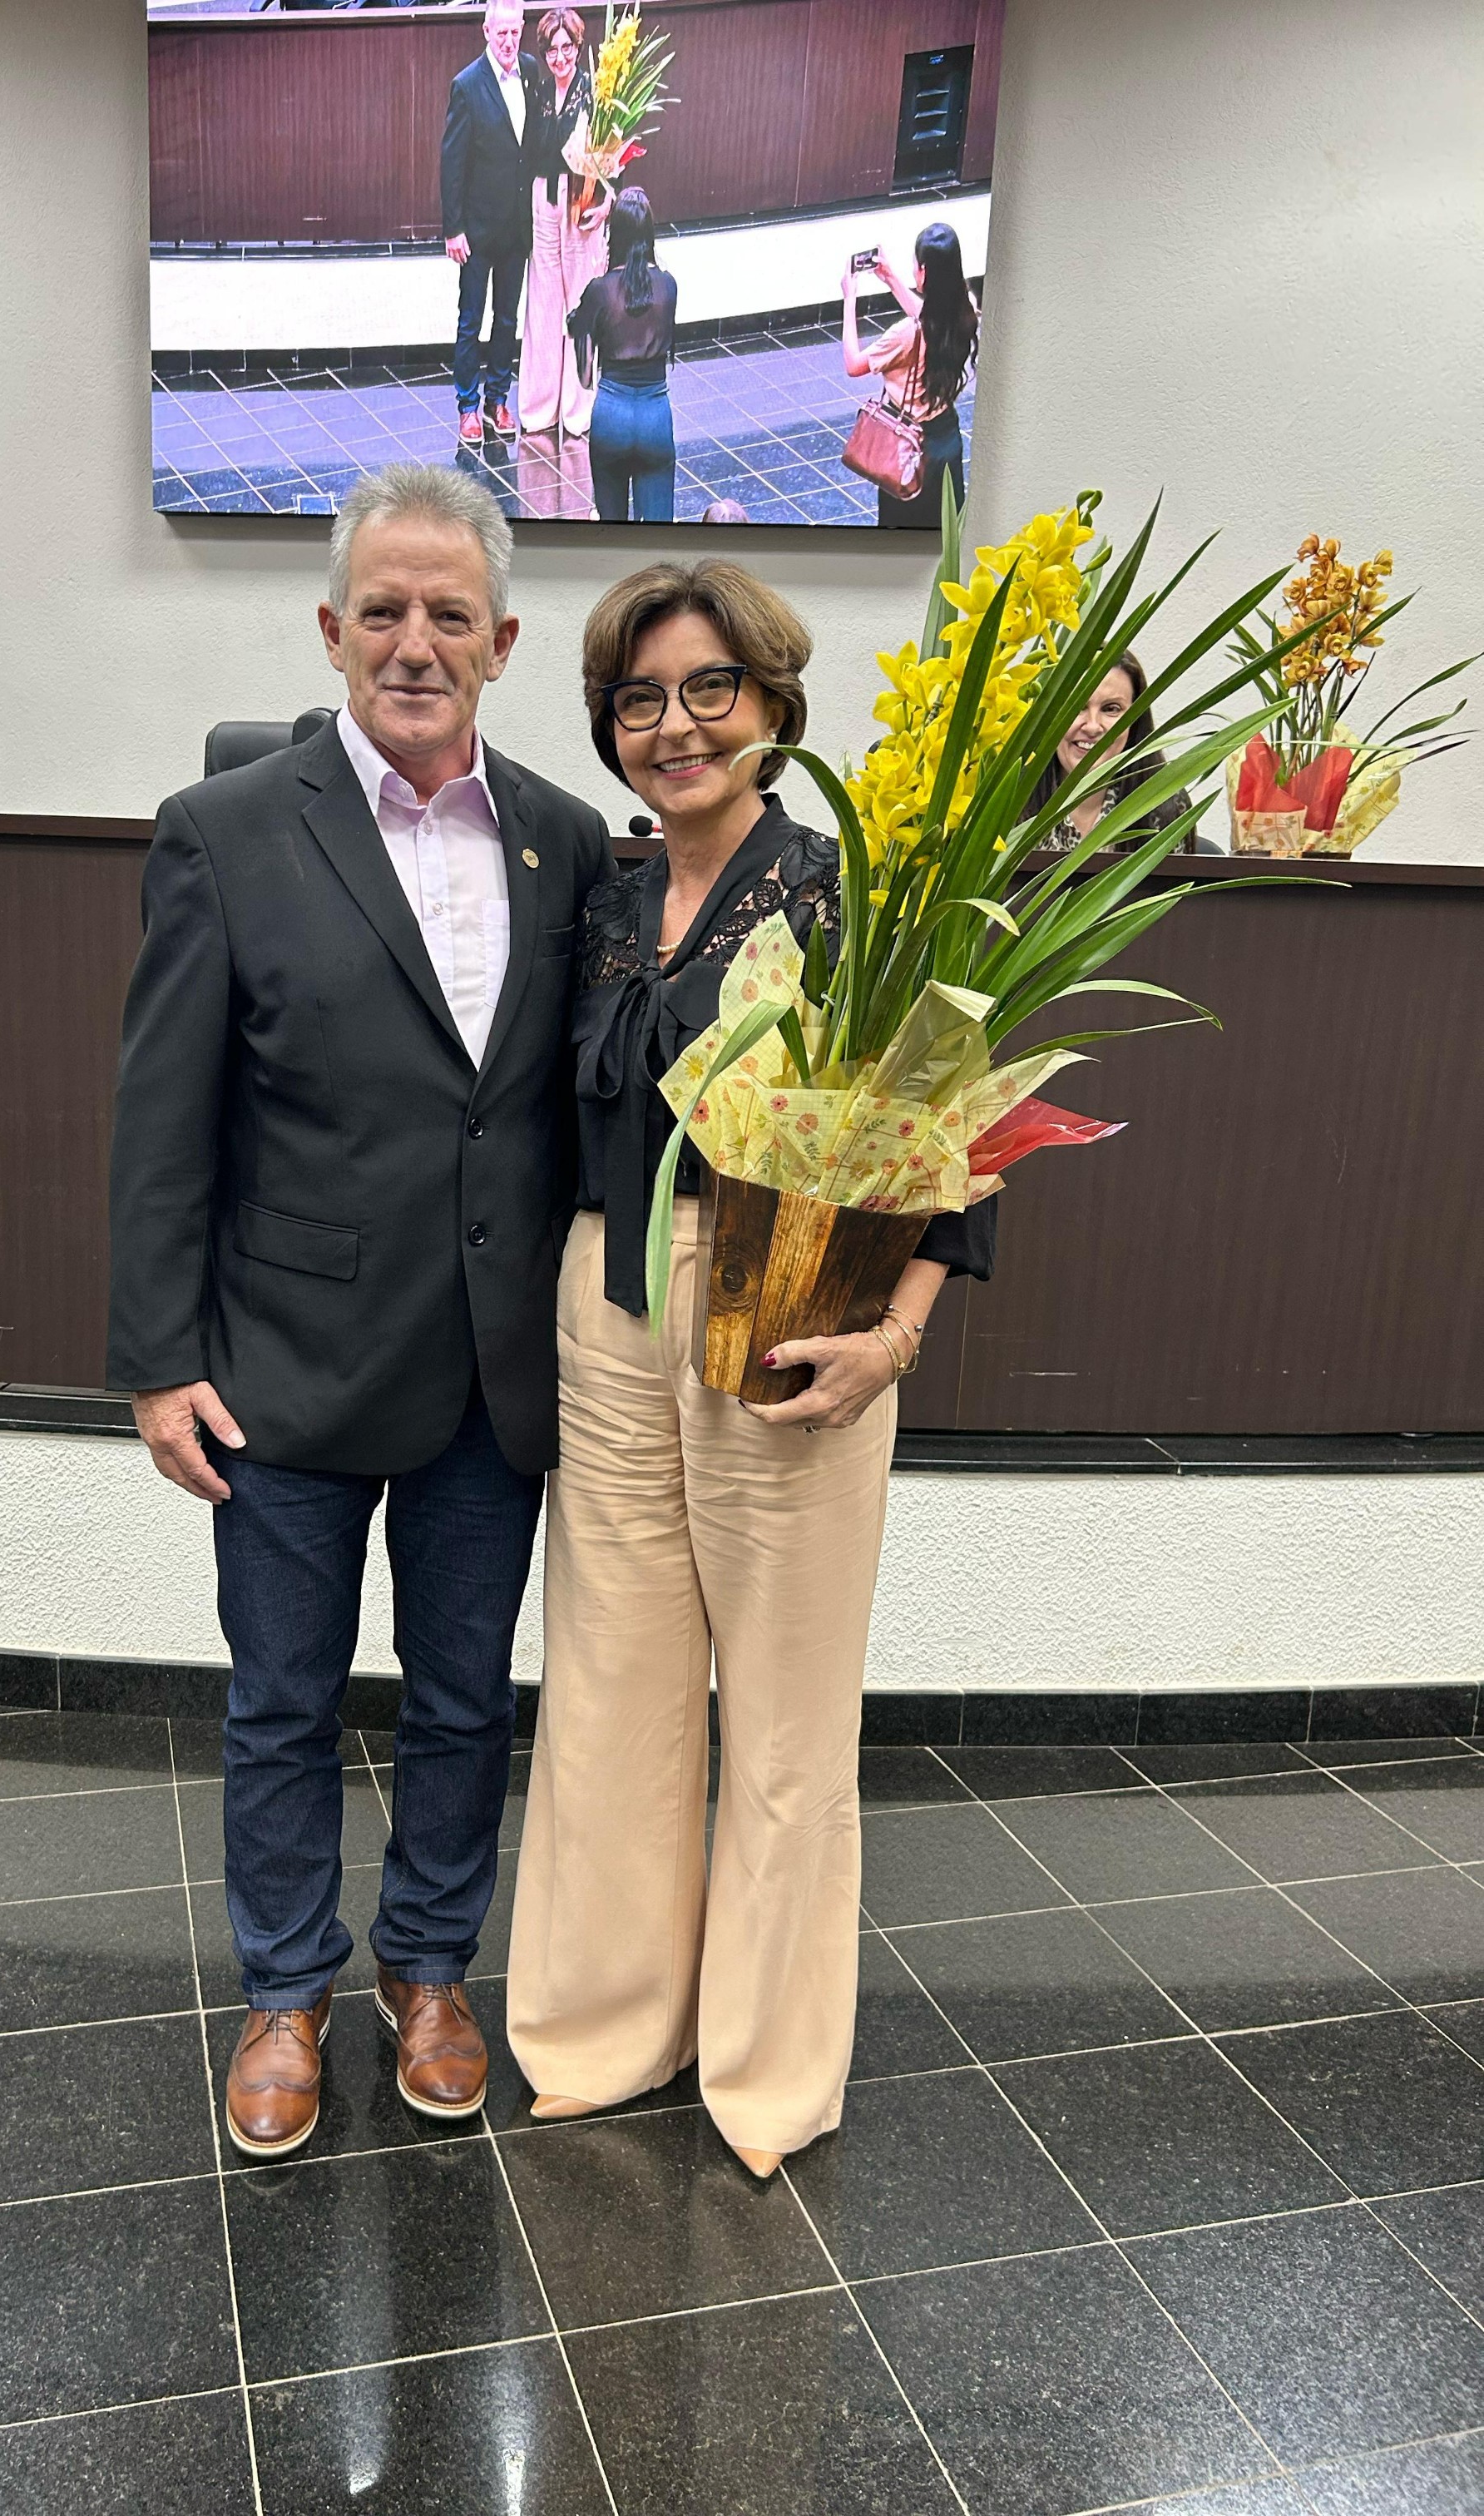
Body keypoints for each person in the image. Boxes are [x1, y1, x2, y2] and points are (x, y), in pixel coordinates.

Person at [107, 465, 611, 2160]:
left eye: (447, 614)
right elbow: (162, 1118)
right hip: (285, 1364)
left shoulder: (566, 839)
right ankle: (281, 1990)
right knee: (282, 1699)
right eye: (382, 610)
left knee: (465, 1695)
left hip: (491, 1368)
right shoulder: (225, 830)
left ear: (501, 641)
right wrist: (158, 1362)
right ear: (331, 629)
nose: (413, 641)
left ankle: (430, 1966)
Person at [505, 561, 995, 2177]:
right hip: (605, 1301)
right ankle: (602, 2028)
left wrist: (895, 1332)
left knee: (783, 1714)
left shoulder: (851, 895)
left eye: (709, 688)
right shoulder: (597, 899)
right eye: (639, 698)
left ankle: (768, 2071)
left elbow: (958, 1137)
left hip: (789, 1311)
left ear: (774, 702)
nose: (676, 725)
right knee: (610, 1689)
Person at [442, 0, 539, 449]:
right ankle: (467, 406)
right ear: (486, 31)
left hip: (517, 227)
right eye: (501, 33)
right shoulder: (466, 85)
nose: (509, 41)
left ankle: (497, 400)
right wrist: (453, 228)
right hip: (477, 231)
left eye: (515, 32)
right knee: (471, 321)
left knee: (507, 319)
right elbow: (452, 164)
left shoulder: (532, 72)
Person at [840, 221, 977, 527]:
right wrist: (891, 279)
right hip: (946, 441)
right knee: (944, 531)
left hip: (908, 450)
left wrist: (849, 299)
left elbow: (854, 364)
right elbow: (930, 316)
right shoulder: (966, 309)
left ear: (924, 272)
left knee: (901, 538)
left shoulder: (905, 335)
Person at [518, 7, 610, 438]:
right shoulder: (538, 90)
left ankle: (577, 410)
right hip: (543, 201)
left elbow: (612, 152)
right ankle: (540, 408)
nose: (560, 57)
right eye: (552, 50)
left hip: (580, 201)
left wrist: (607, 202)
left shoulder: (594, 92)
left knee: (580, 304)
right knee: (543, 306)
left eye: (567, 47)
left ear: (578, 46)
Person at [1026, 649, 1214, 854]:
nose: (1092, 726)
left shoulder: (1164, 801)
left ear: (1135, 719)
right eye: (1076, 707)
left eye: (1111, 709)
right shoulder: (1013, 803)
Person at [572, 188, 678, 523]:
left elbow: (585, 377)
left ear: (613, 234)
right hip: (655, 417)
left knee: (612, 532)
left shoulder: (599, 290)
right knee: (658, 539)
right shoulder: (669, 286)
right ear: (649, 234)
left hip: (611, 417)